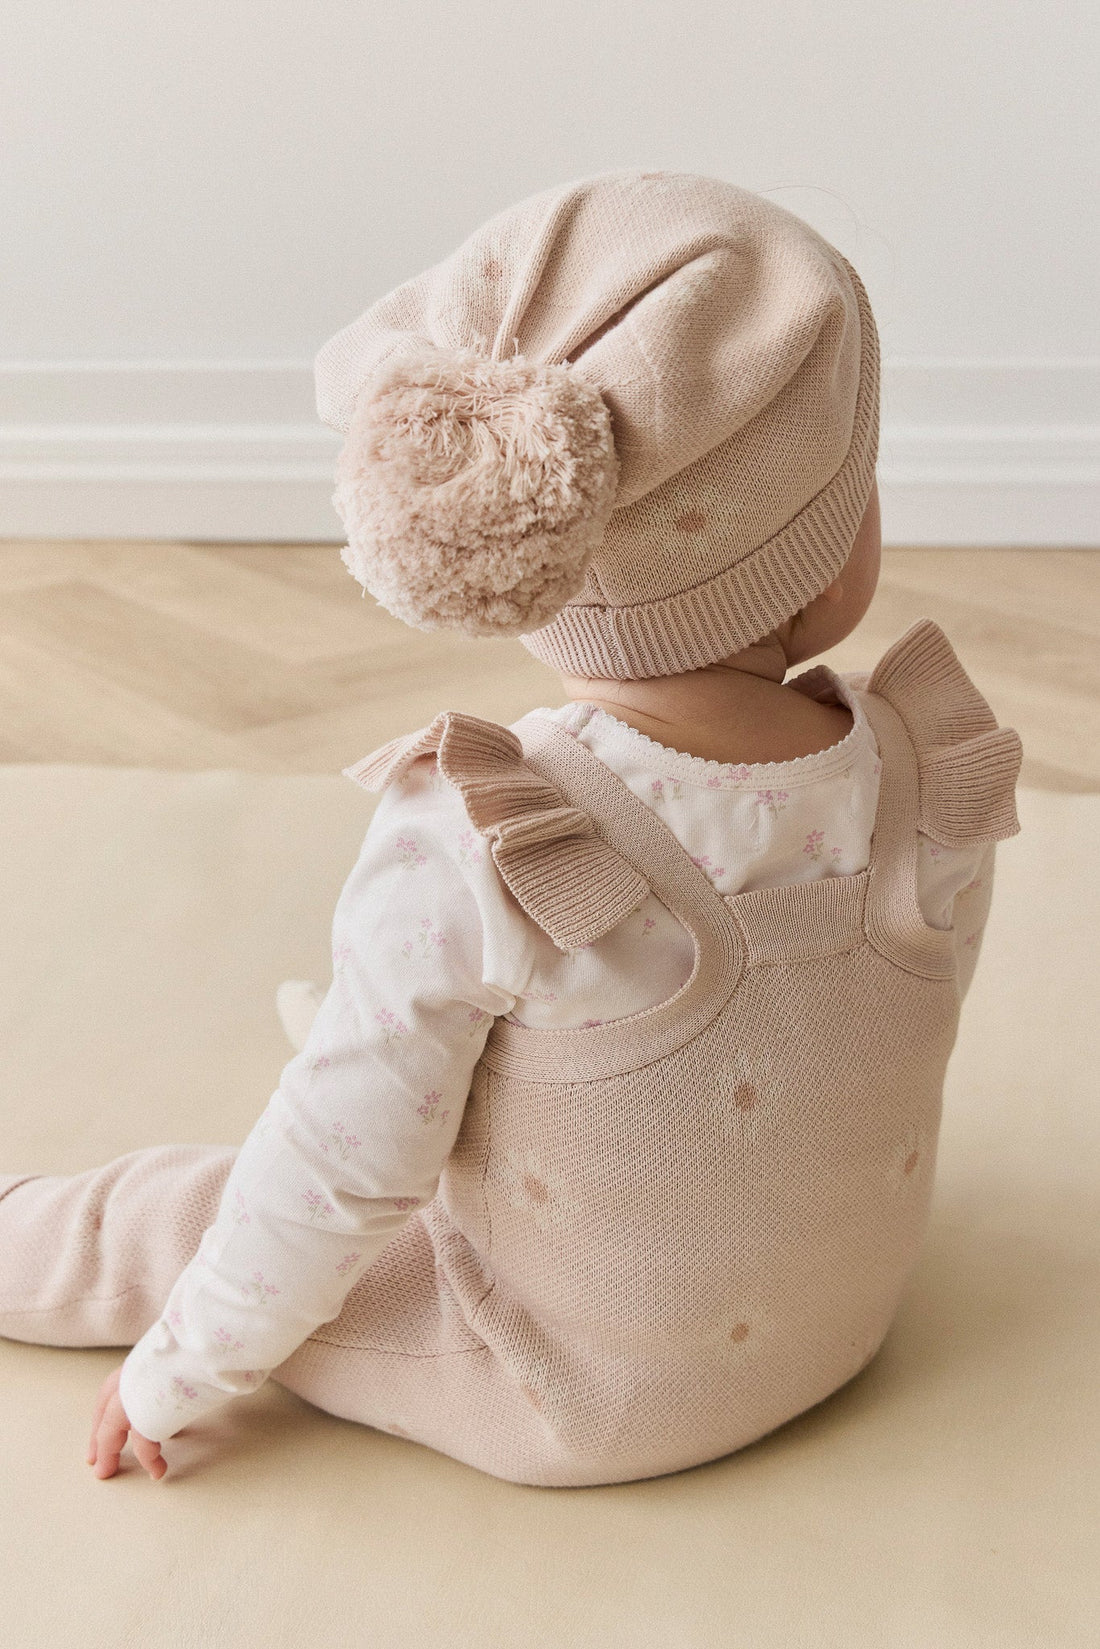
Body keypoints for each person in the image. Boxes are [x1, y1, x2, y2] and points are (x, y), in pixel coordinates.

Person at [0, 169, 1022, 1488]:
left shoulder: (482, 839)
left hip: (570, 1396)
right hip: (836, 1326)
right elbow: (860, 1032)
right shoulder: (923, 764)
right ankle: (438, 1055)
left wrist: (179, 1368)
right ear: (831, 568)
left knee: (204, 1204)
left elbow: (338, 1178)